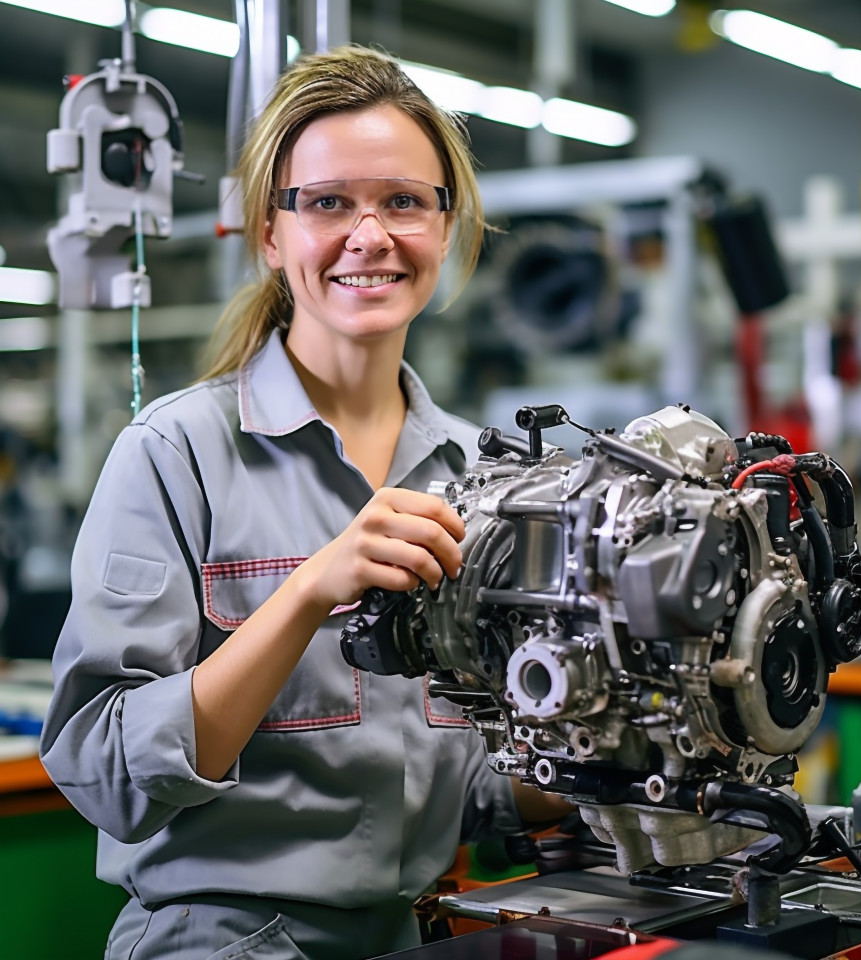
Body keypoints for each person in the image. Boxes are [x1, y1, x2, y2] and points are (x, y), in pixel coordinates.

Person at [40, 45, 567, 960]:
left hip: (410, 935)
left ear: (447, 228)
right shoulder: (177, 455)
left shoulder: (490, 480)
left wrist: (639, 753)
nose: (371, 235)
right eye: (328, 203)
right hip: (217, 940)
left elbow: (476, 789)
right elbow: (105, 770)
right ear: (271, 236)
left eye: (404, 200)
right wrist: (306, 592)